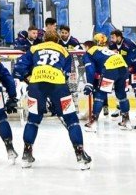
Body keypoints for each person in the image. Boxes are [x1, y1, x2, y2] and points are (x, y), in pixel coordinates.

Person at [15, 29, 92, 168]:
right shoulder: (63, 50)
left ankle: (26, 155)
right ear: (57, 40)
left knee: (33, 120)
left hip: (36, 85)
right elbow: (67, 73)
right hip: (58, 85)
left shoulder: (34, 48)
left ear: (44, 39)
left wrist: (28, 78)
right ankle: (80, 155)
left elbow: (19, 67)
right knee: (72, 121)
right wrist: (56, 98)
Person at [84, 34, 134, 128]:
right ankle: (126, 121)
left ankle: (93, 122)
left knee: (100, 95)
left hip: (110, 69)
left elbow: (90, 69)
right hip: (123, 67)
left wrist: (89, 84)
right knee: (121, 95)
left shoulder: (90, 52)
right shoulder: (109, 50)